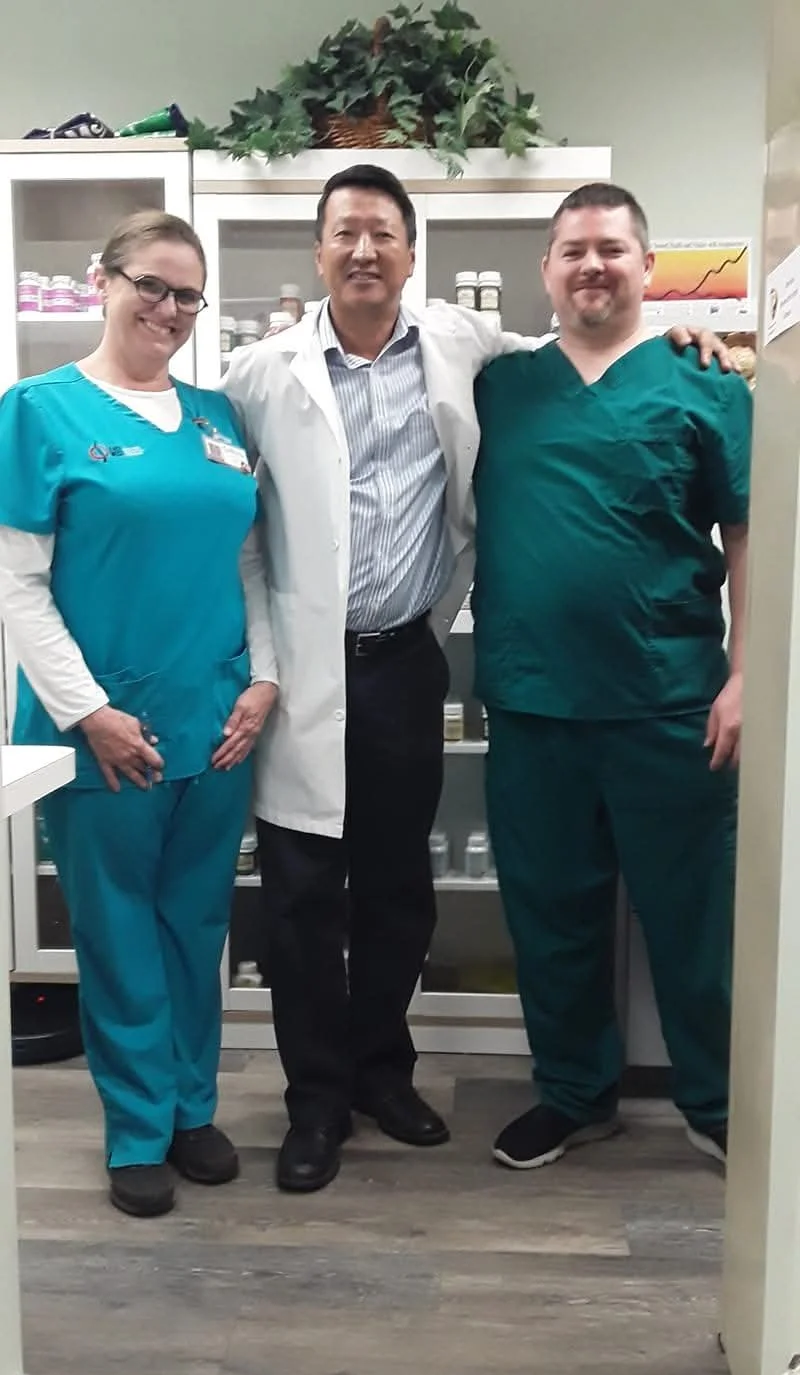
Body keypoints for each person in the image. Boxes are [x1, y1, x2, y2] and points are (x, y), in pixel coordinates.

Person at [222, 163, 735, 1194]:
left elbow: (605, 367)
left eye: (383, 232)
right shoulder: (261, 372)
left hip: (422, 665)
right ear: (318, 253)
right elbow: (234, 522)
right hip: (332, 674)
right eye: (344, 233)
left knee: (401, 889)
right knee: (309, 897)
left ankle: (388, 1074)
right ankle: (320, 1102)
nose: (363, 250)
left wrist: (695, 336)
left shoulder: (474, 349)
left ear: (412, 253)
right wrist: (261, 664)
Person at [0, 211, 278, 1217]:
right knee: (117, 930)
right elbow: (18, 584)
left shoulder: (216, 417)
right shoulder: (39, 411)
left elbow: (249, 562)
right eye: (149, 285)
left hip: (215, 718)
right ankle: (136, 1128)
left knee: (196, 921)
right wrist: (89, 714)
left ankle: (192, 1108)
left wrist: (264, 679)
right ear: (102, 281)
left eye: (185, 294)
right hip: (101, 733)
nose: (167, 307)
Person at [471, 182, 752, 1173]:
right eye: (573, 250)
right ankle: (573, 1095)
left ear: (645, 266)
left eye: (612, 249)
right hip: (533, 705)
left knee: (695, 921)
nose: (592, 265)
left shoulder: (704, 382)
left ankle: (716, 1101)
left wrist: (747, 674)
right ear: (546, 270)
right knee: (550, 919)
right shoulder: (501, 385)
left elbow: (749, 532)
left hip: (672, 704)